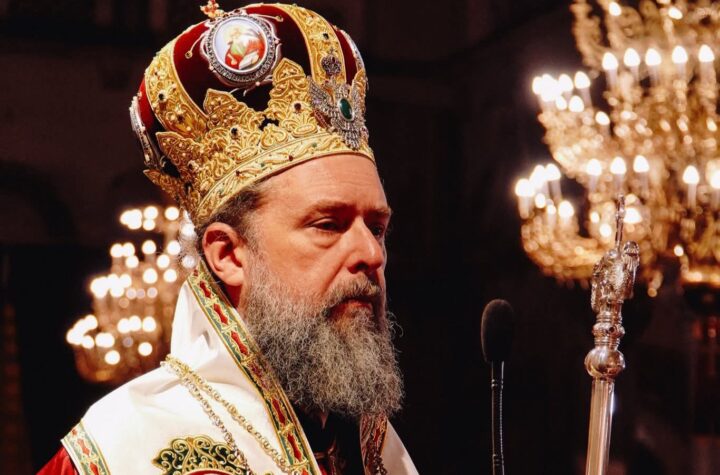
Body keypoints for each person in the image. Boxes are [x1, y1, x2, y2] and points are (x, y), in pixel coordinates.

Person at [39, 2, 418, 474]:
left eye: (377, 228)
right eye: (328, 225)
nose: (370, 253)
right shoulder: (122, 450)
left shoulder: (377, 448)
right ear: (228, 255)